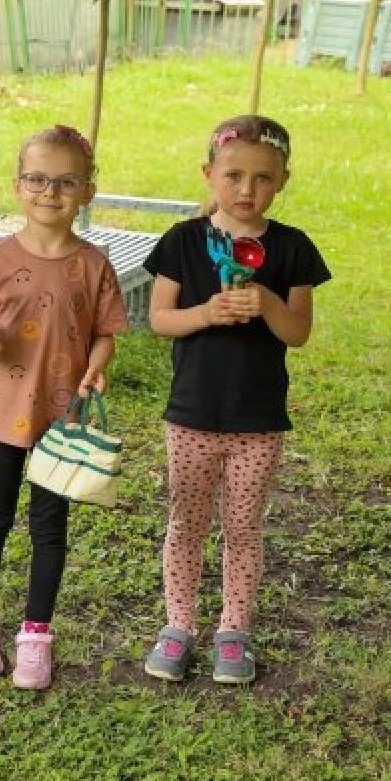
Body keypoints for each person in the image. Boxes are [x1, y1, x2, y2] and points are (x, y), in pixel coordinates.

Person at [141, 115, 329, 685]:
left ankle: (233, 631)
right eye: (234, 176)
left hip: (258, 420)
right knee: (187, 522)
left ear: (283, 181)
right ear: (209, 174)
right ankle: (178, 627)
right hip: (192, 415)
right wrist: (207, 313)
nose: (247, 190)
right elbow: (159, 319)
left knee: (244, 526)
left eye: (263, 179)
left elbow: (297, 332)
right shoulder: (183, 241)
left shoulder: (293, 250)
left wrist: (268, 303)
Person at [0, 126, 127, 689]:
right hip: (4, 411)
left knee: (49, 526)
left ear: (87, 190)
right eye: (36, 179)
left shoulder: (94, 265)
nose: (49, 191)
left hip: (63, 419)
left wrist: (98, 364)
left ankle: (35, 635)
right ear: (17, 185)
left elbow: (105, 333)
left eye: (65, 181)